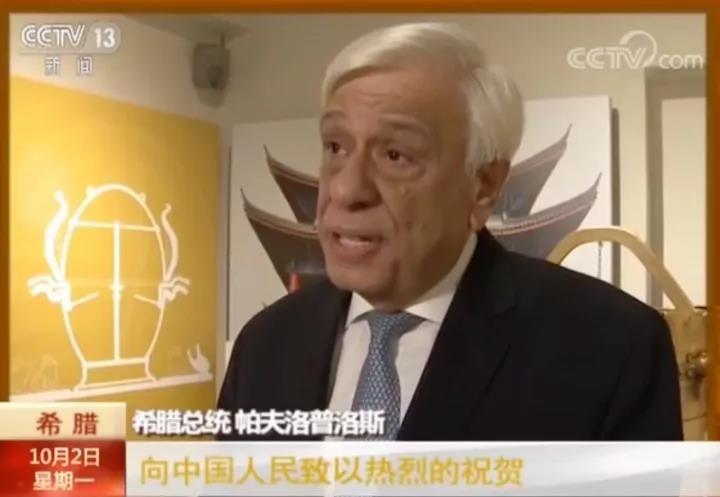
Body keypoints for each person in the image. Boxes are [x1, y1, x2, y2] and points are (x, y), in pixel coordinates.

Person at [218, 22, 682, 441]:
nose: (346, 189)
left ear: (484, 186)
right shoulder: (266, 344)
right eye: (336, 147)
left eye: (395, 155)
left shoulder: (612, 350)